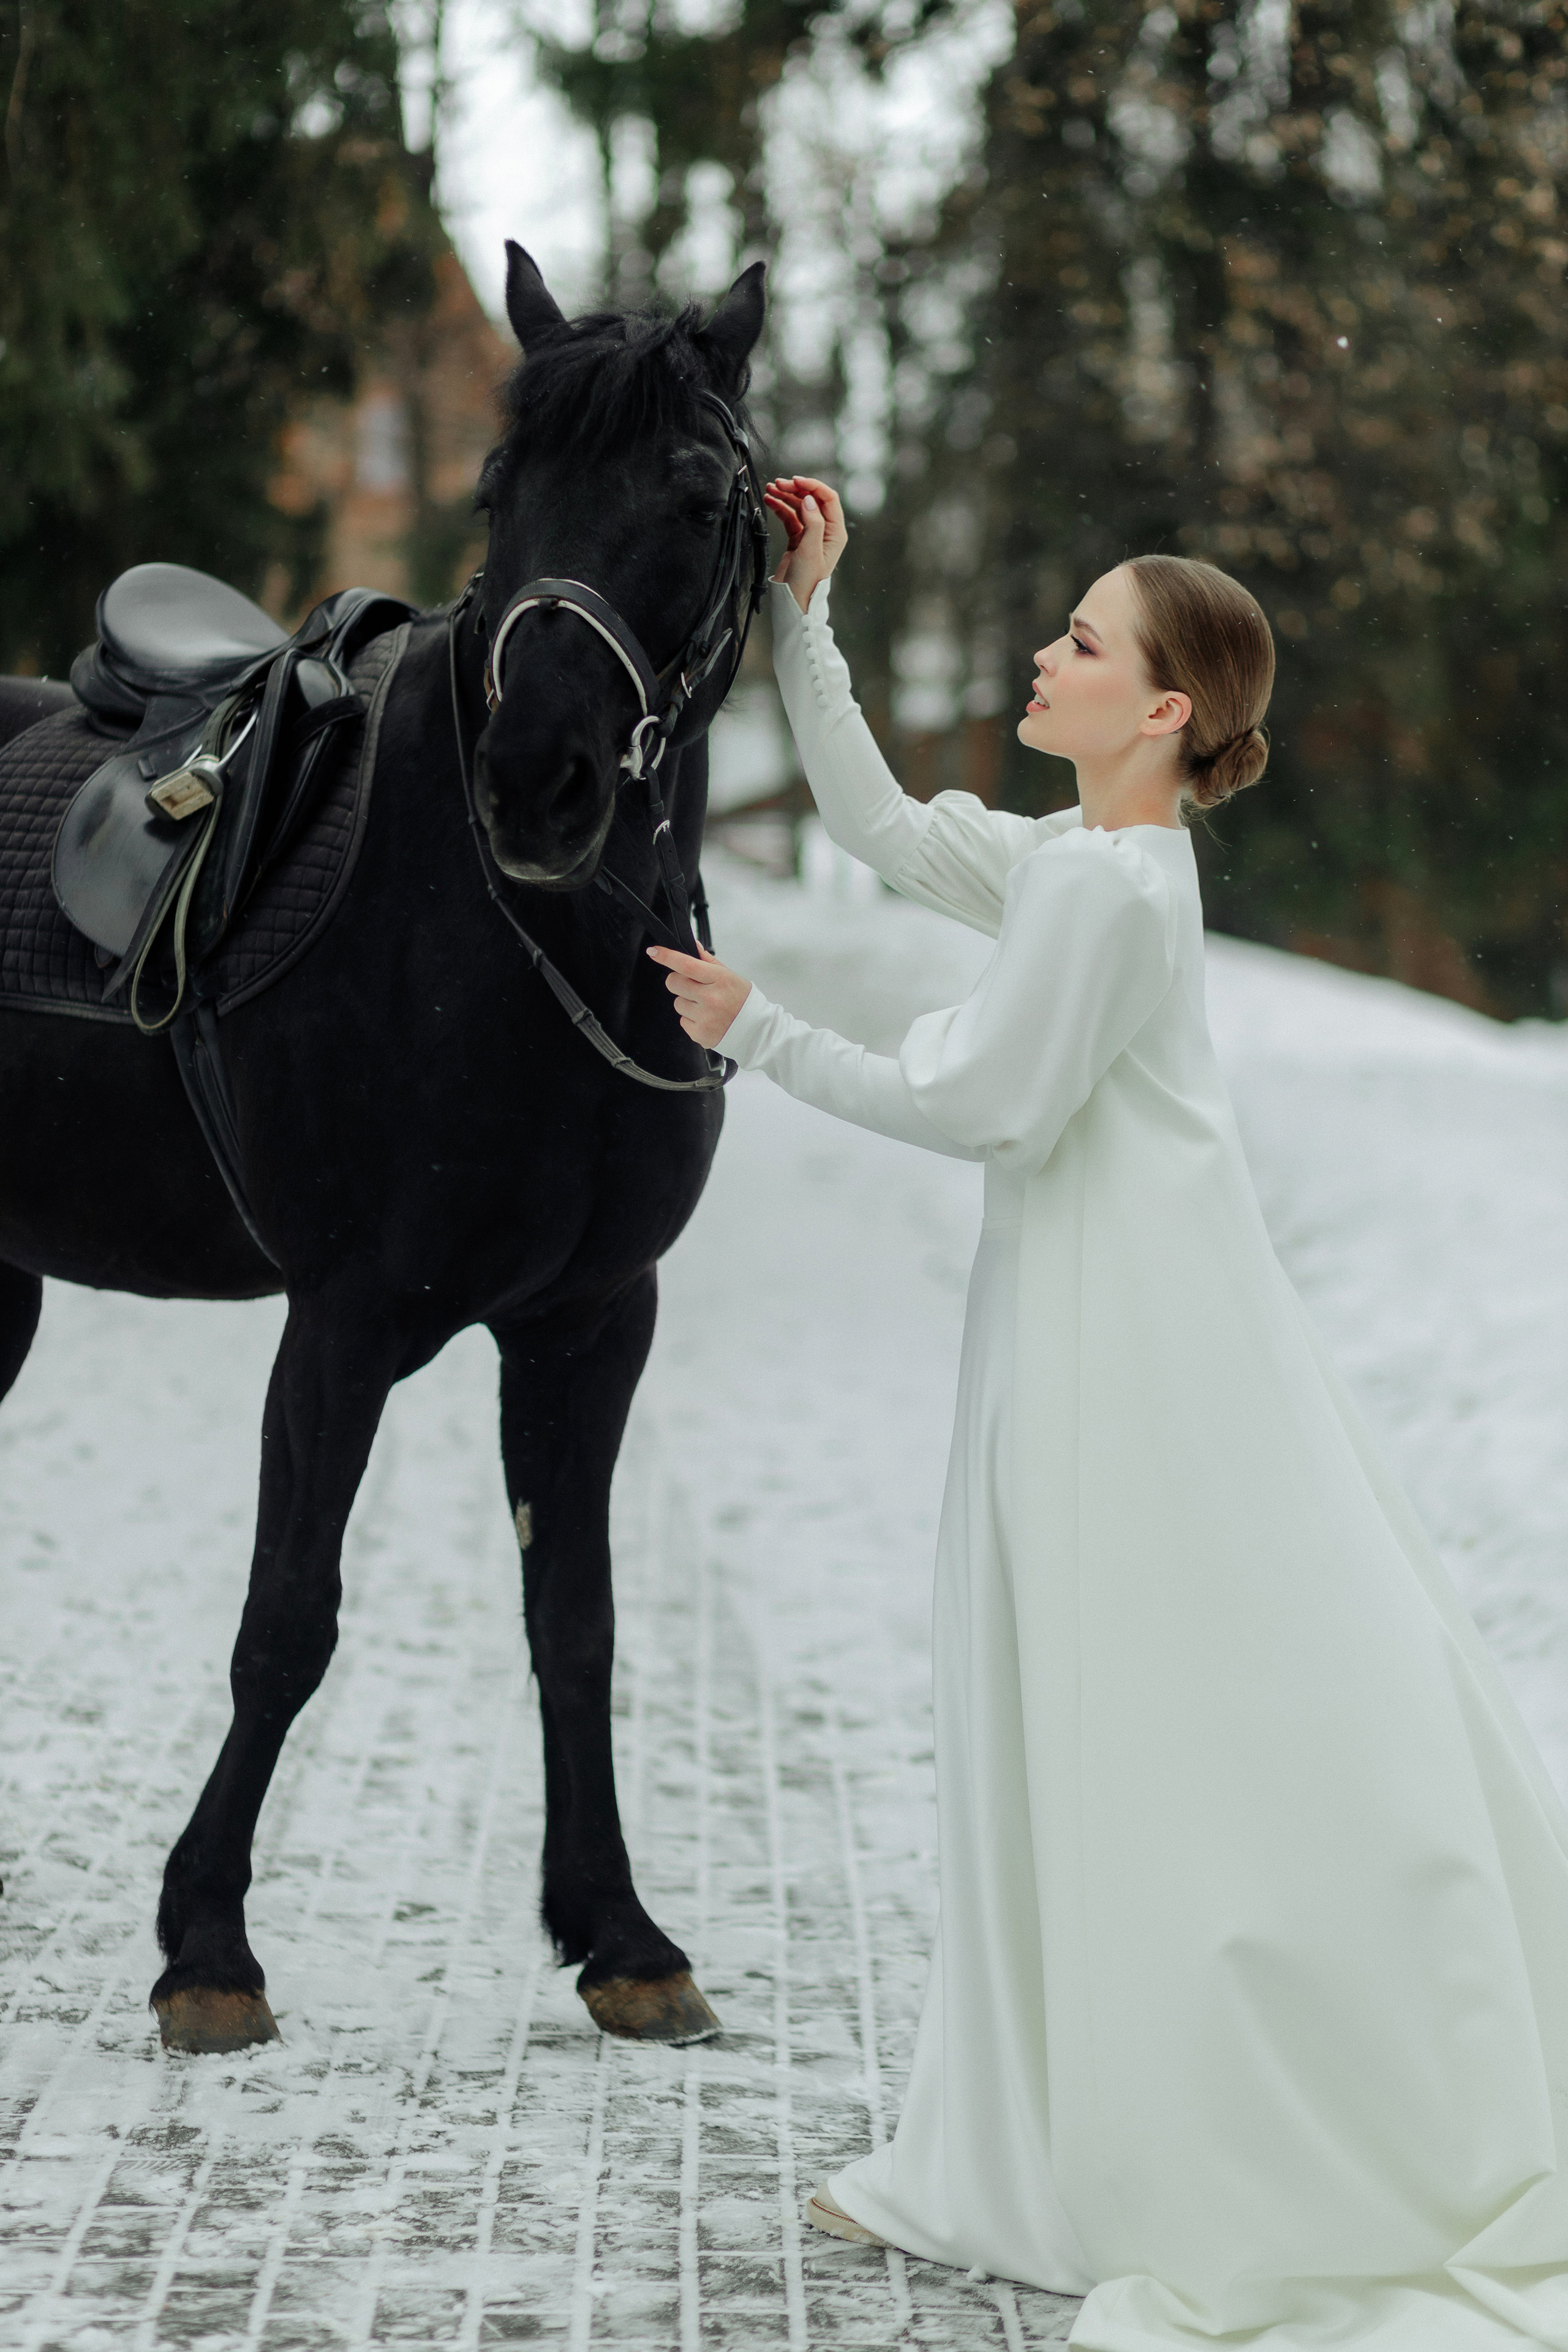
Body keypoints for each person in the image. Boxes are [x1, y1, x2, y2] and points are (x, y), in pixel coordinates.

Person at [649, 480, 1568, 2350]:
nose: (1045, 656)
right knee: (1096, 1698)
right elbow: (890, 832)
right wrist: (806, 618)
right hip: (1108, 1312)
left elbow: (980, 1102)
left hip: (1128, 1345)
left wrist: (757, 1030)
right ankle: (1054, 2130)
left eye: (1084, 642)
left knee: (1124, 1703)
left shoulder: (1111, 889)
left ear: (1164, 712)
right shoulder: (1095, 863)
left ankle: (1169, 2137)